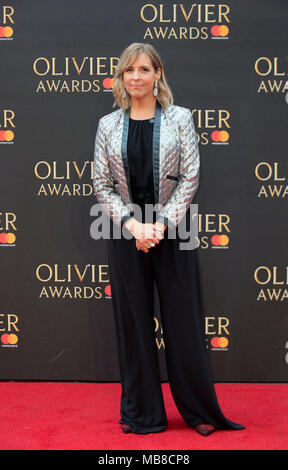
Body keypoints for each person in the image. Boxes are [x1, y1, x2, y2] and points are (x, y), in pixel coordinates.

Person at [93, 42, 244, 436]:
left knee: (183, 321)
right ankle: (142, 414)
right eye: (129, 70)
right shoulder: (108, 125)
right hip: (127, 232)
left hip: (173, 230)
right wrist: (134, 226)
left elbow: (191, 176)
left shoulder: (180, 118)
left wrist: (159, 225)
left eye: (144, 69)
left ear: (158, 73)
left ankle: (199, 411)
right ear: (121, 78)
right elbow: (101, 184)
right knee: (134, 324)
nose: (136, 77)